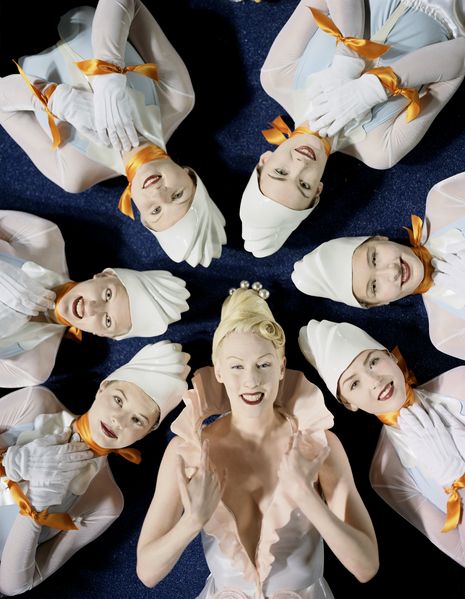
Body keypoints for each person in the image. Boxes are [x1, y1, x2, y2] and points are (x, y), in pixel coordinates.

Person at [136, 283, 378, 597]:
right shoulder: (184, 452)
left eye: (263, 364)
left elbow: (365, 566)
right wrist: (191, 521)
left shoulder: (320, 445)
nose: (251, 380)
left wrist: (307, 497)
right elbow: (148, 573)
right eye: (237, 366)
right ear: (219, 372)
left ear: (281, 368)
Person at [0, 0, 226, 267]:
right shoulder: (177, 99)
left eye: (155, 210)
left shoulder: (74, 175)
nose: (159, 194)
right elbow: (129, 3)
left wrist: (52, 97)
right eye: (178, 195)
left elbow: (3, 107)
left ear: (139, 214)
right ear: (190, 175)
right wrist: (109, 70)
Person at [240, 0, 465, 257]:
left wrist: (348, 56)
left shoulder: (277, 78)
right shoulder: (380, 150)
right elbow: (461, 56)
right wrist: (375, 88)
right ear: (317, 192)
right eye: (303, 184)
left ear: (264, 161)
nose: (300, 164)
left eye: (280, 171)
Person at [0, 340, 190, 595]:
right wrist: (13, 461)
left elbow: (13, 585)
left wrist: (36, 506)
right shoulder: (36, 402)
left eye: (137, 420)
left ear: (146, 433)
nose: (119, 420)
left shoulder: (107, 501)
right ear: (103, 388)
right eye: (118, 400)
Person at [299, 318, 465, 567]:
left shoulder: (460, 383)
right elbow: (460, 552)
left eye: (374, 361)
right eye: (354, 383)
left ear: (391, 357)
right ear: (348, 403)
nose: (374, 381)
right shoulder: (385, 472)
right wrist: (455, 479)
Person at [0, 209, 189, 387]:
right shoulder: (44, 237)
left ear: (102, 335)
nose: (92, 308)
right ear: (104, 276)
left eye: (107, 321)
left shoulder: (33, 368)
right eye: (108, 295)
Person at [292, 171, 465, 361]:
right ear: (379, 304)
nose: (392, 271)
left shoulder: (444, 199)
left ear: (380, 239)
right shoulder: (446, 333)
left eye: (374, 258)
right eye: (374, 286)